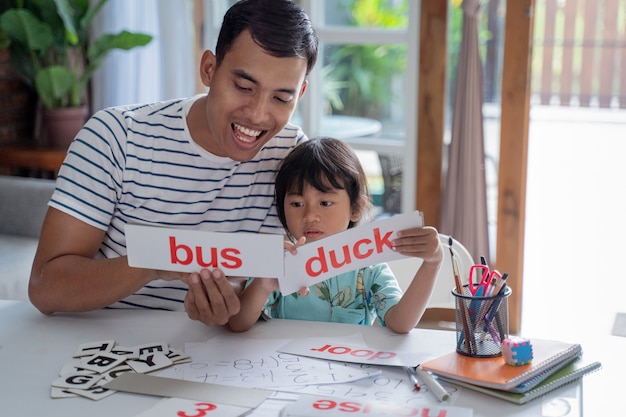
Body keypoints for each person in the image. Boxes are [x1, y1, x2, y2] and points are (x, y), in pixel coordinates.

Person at [28, 0, 319, 327]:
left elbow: (275, 280)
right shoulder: (117, 136)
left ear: (301, 93)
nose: (257, 114)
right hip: (100, 344)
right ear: (209, 69)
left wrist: (230, 301)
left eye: (281, 98)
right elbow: (44, 287)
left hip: (219, 355)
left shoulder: (291, 153)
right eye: (243, 87)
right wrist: (155, 261)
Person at [228, 138, 444, 334]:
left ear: (356, 208)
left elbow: (401, 323)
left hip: (348, 372)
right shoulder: (279, 262)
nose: (310, 215)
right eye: (297, 204)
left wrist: (432, 263)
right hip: (285, 370)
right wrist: (263, 285)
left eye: (325, 203)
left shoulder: (368, 266)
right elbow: (238, 324)